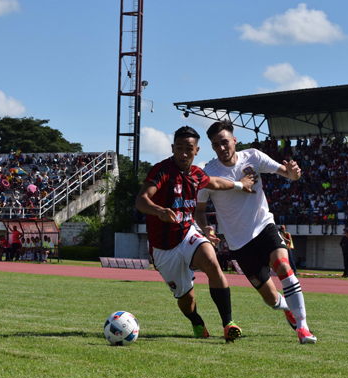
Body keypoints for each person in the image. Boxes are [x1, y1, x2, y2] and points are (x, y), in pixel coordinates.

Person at [195, 120, 317, 344]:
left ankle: (303, 328)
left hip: (264, 227)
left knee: (283, 266)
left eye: (224, 142)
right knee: (271, 299)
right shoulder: (207, 174)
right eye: (216, 145)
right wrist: (206, 228)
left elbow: (289, 174)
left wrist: (294, 173)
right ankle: (287, 308)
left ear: (234, 140)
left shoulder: (253, 156)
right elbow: (199, 210)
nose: (222, 148)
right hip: (239, 244)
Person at [135, 125, 255, 342]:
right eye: (179, 148)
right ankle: (197, 322)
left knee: (211, 260)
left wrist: (240, 184)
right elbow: (141, 199)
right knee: (186, 299)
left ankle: (228, 323)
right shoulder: (161, 171)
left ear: (197, 150)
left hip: (187, 234)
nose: (183, 153)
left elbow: (216, 182)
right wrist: (159, 210)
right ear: (172, 148)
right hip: (163, 248)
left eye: (188, 149)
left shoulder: (197, 174)